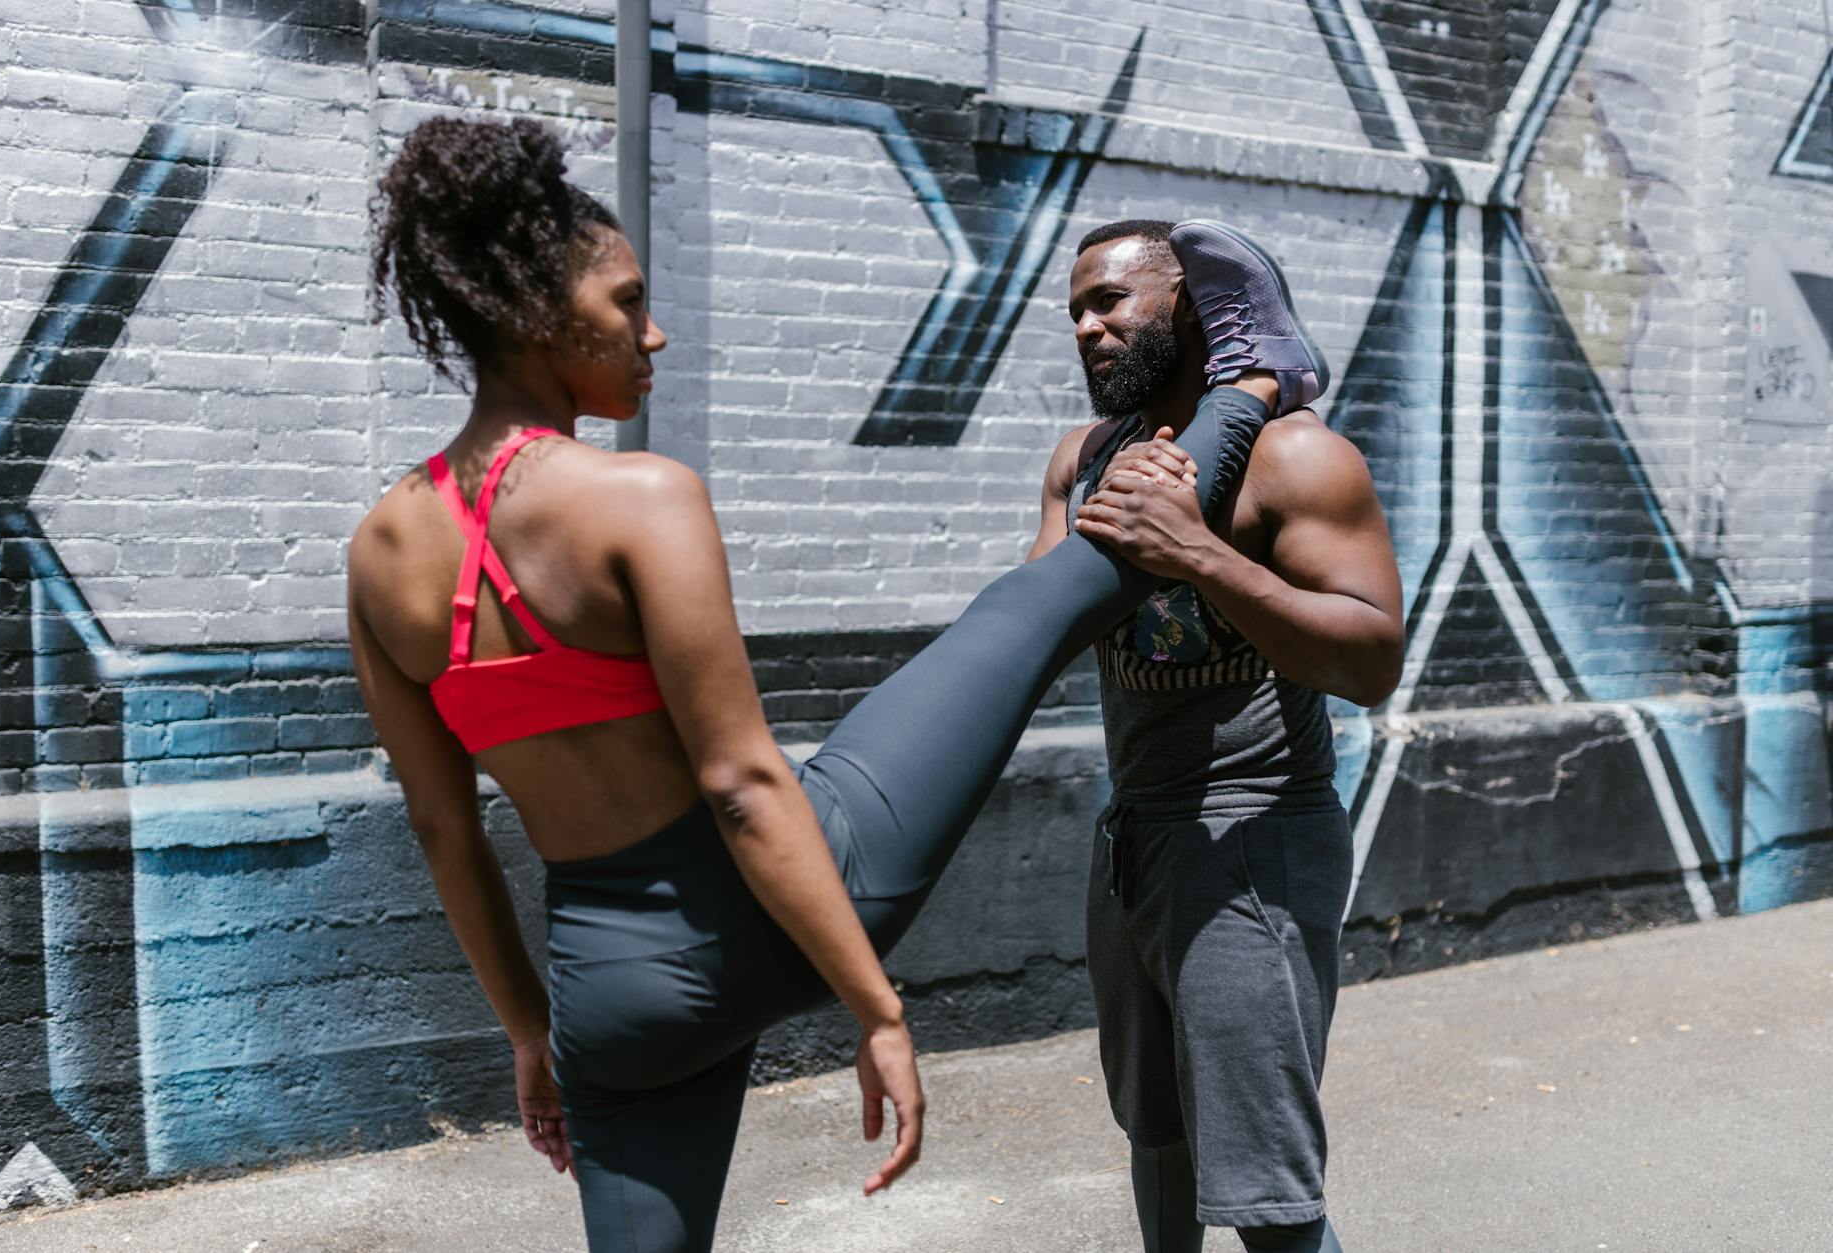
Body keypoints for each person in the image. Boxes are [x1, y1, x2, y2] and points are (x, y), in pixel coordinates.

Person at [347, 116, 1323, 1253]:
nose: (651, 332)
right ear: (530, 311)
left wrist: (532, 1032)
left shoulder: (378, 552)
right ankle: (1253, 383)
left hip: (601, 991)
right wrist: (875, 1005)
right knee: (1035, 604)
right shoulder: (636, 498)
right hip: (776, 906)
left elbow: (441, 824)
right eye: (623, 304)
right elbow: (742, 783)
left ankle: (1242, 391)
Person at [1026, 219, 1406, 1253]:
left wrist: (1200, 555)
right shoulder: (1084, 457)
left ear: (1187, 304)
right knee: (1158, 1140)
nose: (1087, 327)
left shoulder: (1297, 458)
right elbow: (1039, 625)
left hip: (1253, 838)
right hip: (1133, 838)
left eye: (1112, 300)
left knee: (1265, 1187)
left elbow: (1372, 659)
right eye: (1075, 311)